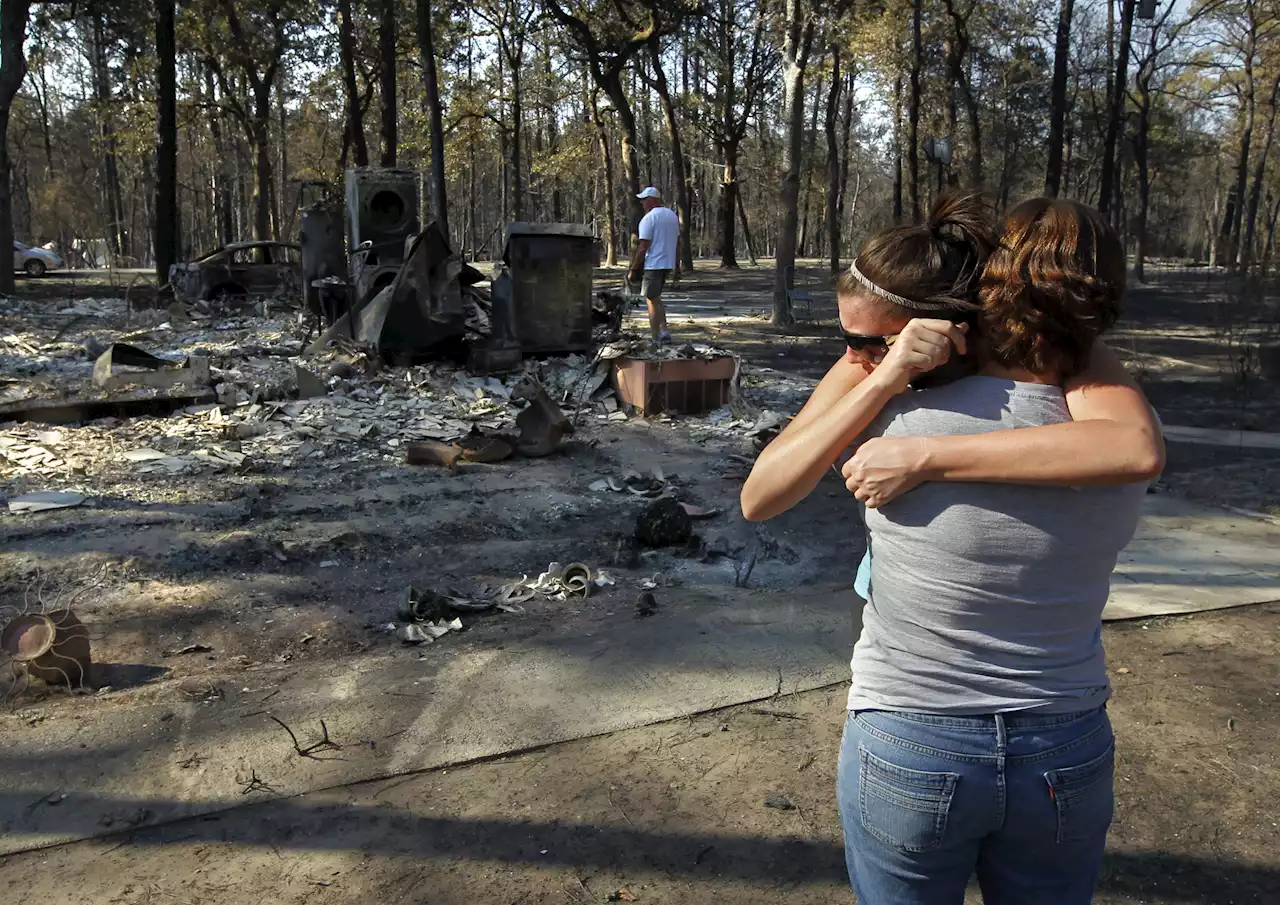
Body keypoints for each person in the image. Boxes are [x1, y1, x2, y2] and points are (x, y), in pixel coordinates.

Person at [741, 194, 1161, 905]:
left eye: (871, 343)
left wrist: (919, 446)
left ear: (951, 325)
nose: (853, 356)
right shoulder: (1101, 409)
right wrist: (884, 370)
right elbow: (1135, 442)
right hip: (1064, 743)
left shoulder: (898, 412)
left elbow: (760, 496)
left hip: (913, 737)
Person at [629, 187, 681, 342]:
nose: (643, 203)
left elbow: (643, 246)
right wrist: (677, 266)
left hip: (654, 264)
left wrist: (634, 268)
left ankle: (655, 336)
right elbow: (677, 244)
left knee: (650, 298)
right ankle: (664, 331)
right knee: (657, 297)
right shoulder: (672, 215)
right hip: (668, 263)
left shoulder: (649, 218)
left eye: (645, 199)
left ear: (653, 199)